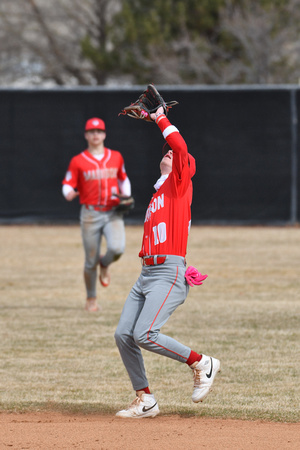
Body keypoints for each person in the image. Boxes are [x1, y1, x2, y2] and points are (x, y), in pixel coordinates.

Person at [114, 106, 220, 418]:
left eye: (173, 156)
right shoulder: (158, 194)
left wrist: (159, 117)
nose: (169, 155)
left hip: (167, 273)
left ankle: (201, 362)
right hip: (146, 274)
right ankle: (145, 399)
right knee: (124, 334)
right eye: (167, 154)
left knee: (145, 334)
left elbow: (181, 147)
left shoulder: (179, 185)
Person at [62, 117, 132, 312]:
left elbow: (123, 179)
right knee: (90, 260)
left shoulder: (116, 156)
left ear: (104, 134)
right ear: (86, 135)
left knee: (117, 249)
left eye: (99, 131)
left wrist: (126, 194)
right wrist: (68, 193)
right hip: (90, 213)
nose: (96, 135)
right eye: (92, 131)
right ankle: (91, 298)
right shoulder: (78, 160)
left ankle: (105, 262)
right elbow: (68, 182)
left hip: (112, 212)